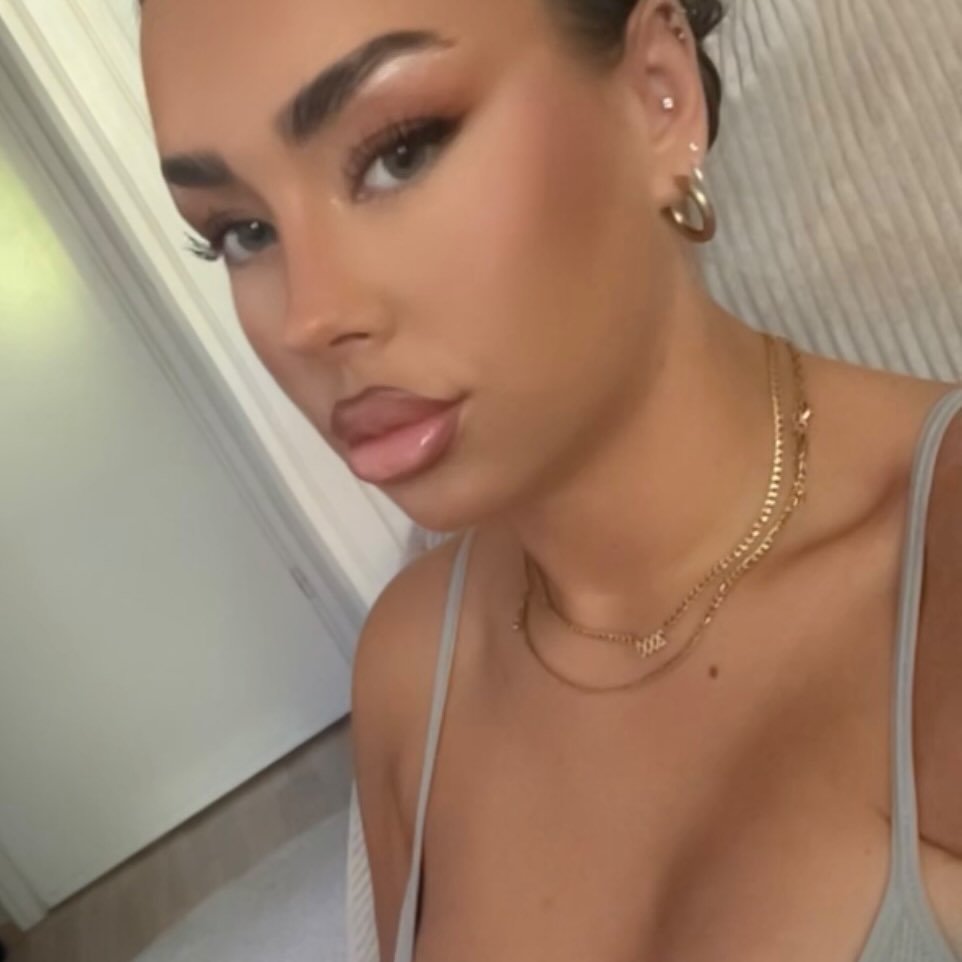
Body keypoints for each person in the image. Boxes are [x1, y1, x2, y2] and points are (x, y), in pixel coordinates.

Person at [138, 0, 962, 959]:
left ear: (657, 93)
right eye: (242, 231)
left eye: (400, 152)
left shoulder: (937, 582)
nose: (308, 319)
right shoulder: (411, 669)